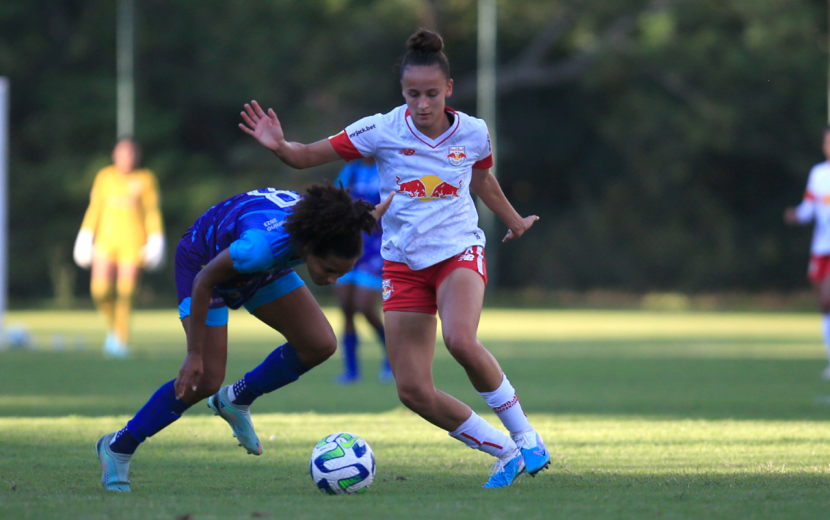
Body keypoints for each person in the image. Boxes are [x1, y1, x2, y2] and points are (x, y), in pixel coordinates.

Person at [238, 29, 548, 488]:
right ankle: (503, 452)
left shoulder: (475, 132)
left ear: (449, 89)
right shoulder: (380, 129)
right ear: (402, 93)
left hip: (457, 251)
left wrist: (514, 219)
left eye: (431, 93)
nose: (422, 104)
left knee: (461, 340)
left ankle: (526, 438)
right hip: (401, 264)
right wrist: (281, 147)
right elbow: (306, 157)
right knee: (413, 390)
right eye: (412, 94)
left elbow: (482, 181)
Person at [95, 183, 392, 491]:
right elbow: (205, 279)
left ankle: (235, 398)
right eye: (329, 269)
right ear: (310, 246)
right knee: (205, 379)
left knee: (319, 344)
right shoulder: (260, 248)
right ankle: (118, 447)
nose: (332, 280)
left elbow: (360, 215)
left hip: (259, 262)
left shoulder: (332, 225)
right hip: (204, 262)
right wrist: (193, 352)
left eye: (341, 273)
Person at [73, 138, 165, 358]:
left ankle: (121, 339)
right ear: (115, 155)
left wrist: (156, 238)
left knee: (125, 292)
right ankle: (115, 329)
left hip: (133, 243)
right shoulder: (104, 177)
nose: (127, 158)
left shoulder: (146, 179)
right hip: (106, 241)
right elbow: (94, 208)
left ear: (137, 156)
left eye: (131, 154)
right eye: (123, 154)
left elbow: (152, 211)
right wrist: (85, 235)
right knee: (100, 291)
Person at [333, 157, 393, 384]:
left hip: (375, 247)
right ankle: (351, 371)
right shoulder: (351, 170)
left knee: (364, 306)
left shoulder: (386, 169)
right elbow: (337, 201)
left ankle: (390, 357)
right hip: (348, 244)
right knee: (346, 308)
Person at [785, 126, 830, 380]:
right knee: (825, 306)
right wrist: (796, 216)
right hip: (821, 247)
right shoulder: (818, 174)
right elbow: (809, 208)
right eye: (826, 142)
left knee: (827, 297)